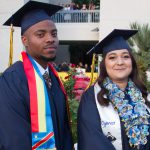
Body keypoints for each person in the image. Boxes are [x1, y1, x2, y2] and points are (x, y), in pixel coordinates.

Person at [0, 1, 73, 150]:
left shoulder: (54, 78)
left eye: (54, 34)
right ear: (25, 40)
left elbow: (65, 132)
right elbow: (14, 139)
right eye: (40, 34)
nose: (50, 39)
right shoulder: (12, 80)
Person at [77, 29, 150, 150]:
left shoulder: (144, 95)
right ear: (104, 64)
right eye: (112, 58)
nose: (120, 62)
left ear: (131, 62)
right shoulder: (91, 98)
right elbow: (92, 140)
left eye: (125, 57)